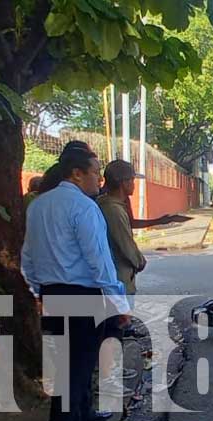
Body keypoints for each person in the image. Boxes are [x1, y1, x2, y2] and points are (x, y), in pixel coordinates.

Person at [22, 146, 130, 421]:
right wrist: (118, 303)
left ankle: (82, 412)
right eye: (95, 172)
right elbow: (99, 260)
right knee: (76, 367)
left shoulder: (38, 206)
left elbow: (27, 257)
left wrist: (37, 291)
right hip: (82, 295)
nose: (99, 178)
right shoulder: (83, 207)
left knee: (72, 363)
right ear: (76, 173)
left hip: (53, 293)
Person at [96, 160, 147, 396]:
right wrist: (139, 261)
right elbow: (125, 244)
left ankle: (110, 372)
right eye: (132, 180)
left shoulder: (110, 204)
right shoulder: (113, 209)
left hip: (117, 277)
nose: (134, 185)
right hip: (117, 278)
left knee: (115, 329)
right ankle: (107, 380)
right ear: (123, 182)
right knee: (113, 330)